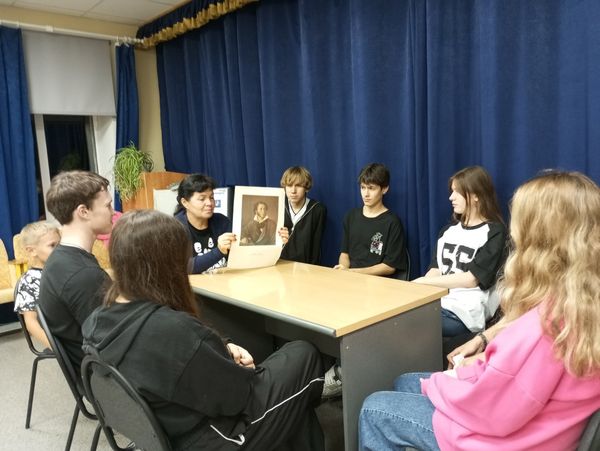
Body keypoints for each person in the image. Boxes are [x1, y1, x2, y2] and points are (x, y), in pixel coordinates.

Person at [359, 171, 600, 451]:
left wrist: (443, 383)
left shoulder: (546, 327)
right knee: (404, 382)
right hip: (537, 426)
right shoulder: (578, 304)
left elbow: (491, 411)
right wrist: (478, 356)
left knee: (374, 408)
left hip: (505, 439)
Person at [82, 210, 325, 450]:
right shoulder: (172, 331)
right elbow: (238, 398)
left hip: (165, 431)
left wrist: (223, 348)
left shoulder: (97, 321)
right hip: (216, 438)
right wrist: (234, 367)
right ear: (168, 266)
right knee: (303, 354)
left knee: (293, 400)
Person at [412, 166, 507, 338]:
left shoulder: (495, 232)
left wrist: (422, 283)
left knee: (409, 325)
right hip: (436, 305)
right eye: (452, 191)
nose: (451, 197)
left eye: (457, 192)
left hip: (464, 312)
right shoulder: (448, 232)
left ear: (476, 195)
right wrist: (418, 290)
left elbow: (472, 279)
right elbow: (436, 270)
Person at [38, 170, 113, 369]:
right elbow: (111, 343)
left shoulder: (59, 259)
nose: (113, 212)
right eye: (107, 205)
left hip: (88, 367)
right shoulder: (84, 275)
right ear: (83, 212)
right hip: (103, 376)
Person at [334, 163, 408, 277]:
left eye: (371, 188)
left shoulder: (392, 222)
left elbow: (389, 266)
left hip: (378, 283)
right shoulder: (351, 216)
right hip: (350, 279)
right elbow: (344, 254)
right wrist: (343, 269)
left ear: (384, 189)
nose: (366, 194)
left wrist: (353, 272)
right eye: (363, 187)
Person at [174, 174, 236, 274]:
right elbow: (185, 267)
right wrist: (219, 251)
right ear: (185, 202)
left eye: (211, 197)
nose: (209, 203)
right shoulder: (175, 229)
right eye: (202, 199)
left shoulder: (222, 222)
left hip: (224, 281)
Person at [13, 221, 60, 349]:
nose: (59, 250)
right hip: (62, 338)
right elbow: (31, 323)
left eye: (60, 244)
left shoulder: (62, 270)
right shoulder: (29, 281)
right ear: (32, 250)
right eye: (52, 245)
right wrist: (56, 348)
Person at [279, 166, 327, 264]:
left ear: (306, 188)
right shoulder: (279, 204)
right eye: (289, 185)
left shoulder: (317, 210)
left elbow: (316, 247)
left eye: (298, 186)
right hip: (279, 263)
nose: (293, 191)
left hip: (304, 267)